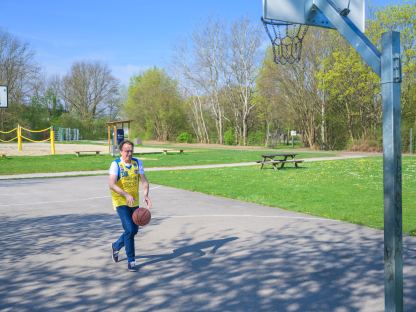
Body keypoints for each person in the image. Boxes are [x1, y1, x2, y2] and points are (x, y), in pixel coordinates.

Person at [108, 139, 152, 272]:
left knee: (133, 230)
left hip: (134, 201)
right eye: (126, 151)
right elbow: (111, 184)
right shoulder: (116, 164)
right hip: (120, 201)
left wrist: (146, 195)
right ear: (121, 151)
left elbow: (144, 181)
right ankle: (131, 260)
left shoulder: (138, 163)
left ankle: (116, 246)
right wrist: (126, 195)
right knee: (130, 229)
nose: (129, 153)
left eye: (131, 150)